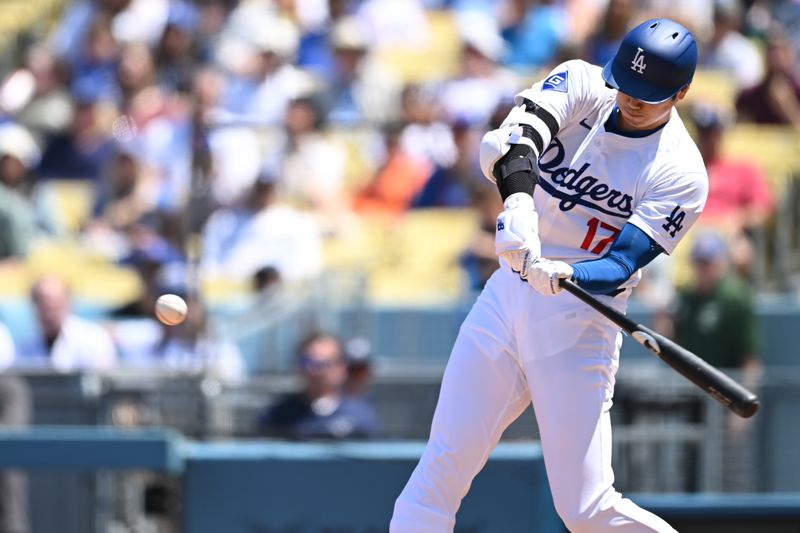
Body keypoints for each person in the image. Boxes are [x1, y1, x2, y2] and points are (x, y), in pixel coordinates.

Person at [391, 19, 708, 532]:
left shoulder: (682, 171)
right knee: (438, 474)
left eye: (649, 95)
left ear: (683, 92)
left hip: (579, 324)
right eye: (628, 83)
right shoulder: (585, 82)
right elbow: (517, 141)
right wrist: (517, 200)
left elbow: (623, 262)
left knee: (584, 510)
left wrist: (568, 273)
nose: (632, 99)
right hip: (505, 296)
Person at [258, 331, 379, 440]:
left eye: (322, 364)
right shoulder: (278, 414)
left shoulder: (358, 414)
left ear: (341, 367)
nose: (313, 370)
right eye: (306, 362)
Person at [16, 276, 117, 372]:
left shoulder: (94, 338)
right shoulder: (26, 347)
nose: (50, 311)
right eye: (44, 304)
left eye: (56, 304)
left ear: (68, 302)